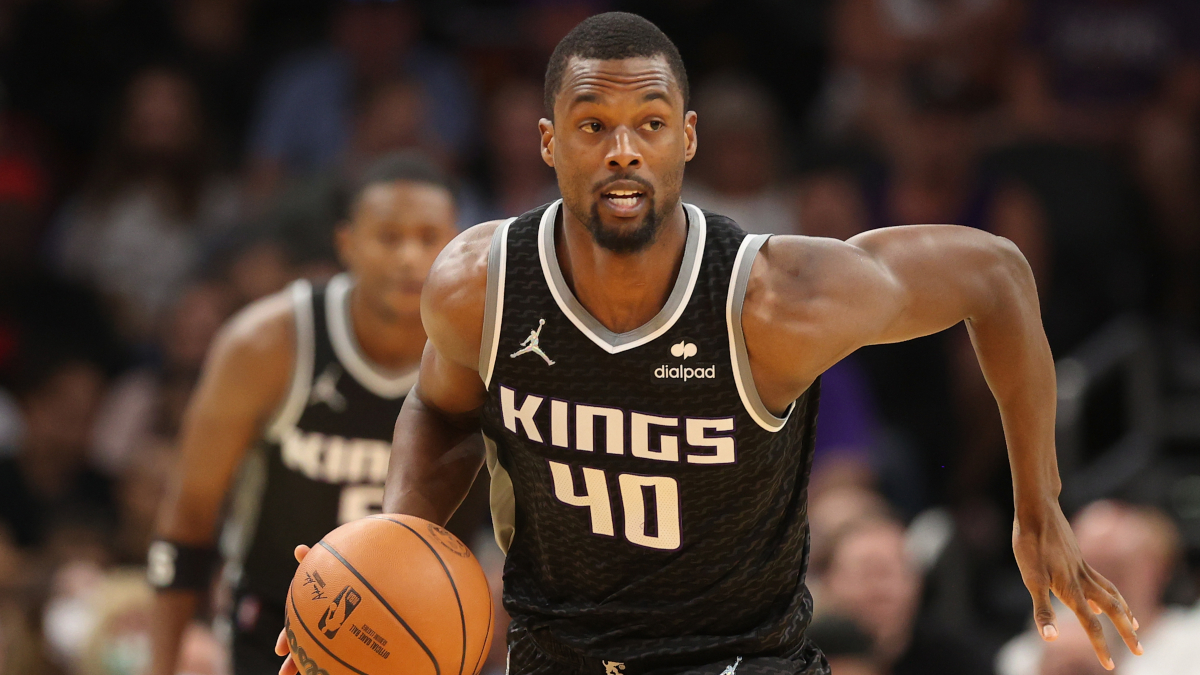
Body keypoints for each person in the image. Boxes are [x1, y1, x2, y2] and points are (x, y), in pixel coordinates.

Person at [280, 12, 1142, 675]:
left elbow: (997, 275)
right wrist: (384, 557)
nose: (623, 151)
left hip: (738, 656)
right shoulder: (480, 283)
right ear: (548, 142)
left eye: (650, 123)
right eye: (593, 125)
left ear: (686, 138)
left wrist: (1039, 503)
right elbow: (440, 409)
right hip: (556, 655)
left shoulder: (773, 298)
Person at [147, 153, 459, 675]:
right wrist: (161, 665)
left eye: (429, 238)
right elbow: (188, 516)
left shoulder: (478, 345)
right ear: (347, 243)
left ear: (456, 244)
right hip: (275, 625)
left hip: (420, 632)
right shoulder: (266, 343)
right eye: (389, 237)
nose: (410, 256)